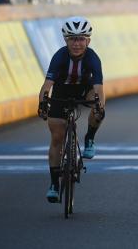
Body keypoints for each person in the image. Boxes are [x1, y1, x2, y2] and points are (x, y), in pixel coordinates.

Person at [37, 16, 106, 203]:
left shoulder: (93, 58)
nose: (77, 44)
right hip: (62, 90)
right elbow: (46, 86)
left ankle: (89, 138)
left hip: (85, 89)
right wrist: (42, 103)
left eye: (81, 39)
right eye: (73, 39)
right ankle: (54, 183)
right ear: (66, 40)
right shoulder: (59, 56)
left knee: (99, 106)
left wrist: (99, 107)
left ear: (88, 41)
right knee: (57, 136)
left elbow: (99, 88)